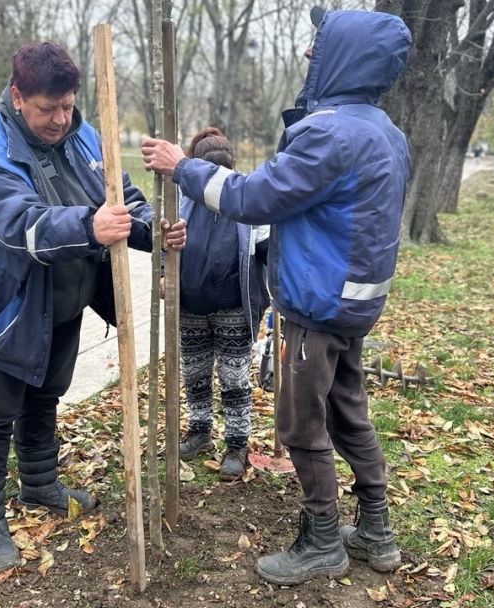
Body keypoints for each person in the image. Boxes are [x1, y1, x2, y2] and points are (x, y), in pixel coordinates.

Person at [142, 6, 411, 587]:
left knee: (299, 423)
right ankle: (375, 530)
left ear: (344, 58)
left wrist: (181, 166)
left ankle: (321, 541)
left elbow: (251, 197)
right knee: (348, 413)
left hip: (317, 308)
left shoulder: (331, 134)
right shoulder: (383, 130)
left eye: (320, 46)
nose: (309, 55)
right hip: (352, 308)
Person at [0, 41, 187, 574]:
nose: (60, 119)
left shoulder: (82, 137)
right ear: (17, 96)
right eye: (46, 109)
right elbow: (21, 224)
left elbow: (121, 195)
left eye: (67, 106)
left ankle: (39, 485)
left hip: (62, 302)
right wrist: (87, 226)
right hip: (5, 309)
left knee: (45, 396)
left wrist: (156, 230)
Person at [173, 127, 269, 482]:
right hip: (190, 307)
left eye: (219, 168)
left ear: (229, 167)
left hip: (233, 306)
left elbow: (265, 254)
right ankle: (199, 432)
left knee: (234, 378)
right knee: (195, 374)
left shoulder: (247, 202)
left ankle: (237, 444)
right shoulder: (179, 198)